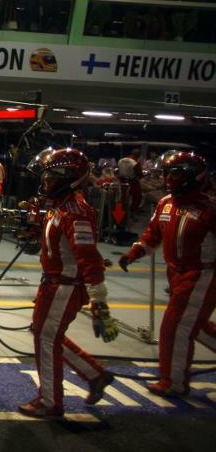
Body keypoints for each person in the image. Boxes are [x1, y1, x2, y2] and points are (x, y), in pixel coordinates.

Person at [18, 148, 118, 418]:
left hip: (64, 286)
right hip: (55, 283)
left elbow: (89, 258)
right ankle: (95, 374)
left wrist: (100, 301)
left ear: (70, 176)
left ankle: (51, 402)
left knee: (46, 338)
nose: (46, 181)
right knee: (46, 335)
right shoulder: (62, 205)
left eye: (52, 176)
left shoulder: (76, 211)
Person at [118, 150, 216, 397]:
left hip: (201, 274)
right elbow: (153, 234)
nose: (169, 178)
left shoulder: (209, 209)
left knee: (175, 327)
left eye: (176, 173)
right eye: (168, 172)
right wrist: (134, 252)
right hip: (175, 274)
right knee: (195, 325)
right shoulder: (166, 202)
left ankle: (173, 381)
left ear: (193, 176)